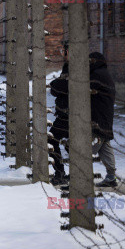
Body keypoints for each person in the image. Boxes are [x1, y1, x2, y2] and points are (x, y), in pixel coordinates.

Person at [89, 52, 117, 187]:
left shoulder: (96, 75)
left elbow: (84, 89)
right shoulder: (104, 73)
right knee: (104, 143)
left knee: (86, 149)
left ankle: (80, 177)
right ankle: (111, 176)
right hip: (105, 115)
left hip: (98, 117)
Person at [48, 45, 69, 185]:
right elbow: (56, 88)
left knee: (51, 140)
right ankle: (66, 173)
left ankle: (60, 173)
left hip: (69, 114)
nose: (62, 54)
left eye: (64, 51)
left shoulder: (75, 67)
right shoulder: (68, 66)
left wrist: (56, 84)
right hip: (65, 113)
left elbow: (60, 86)